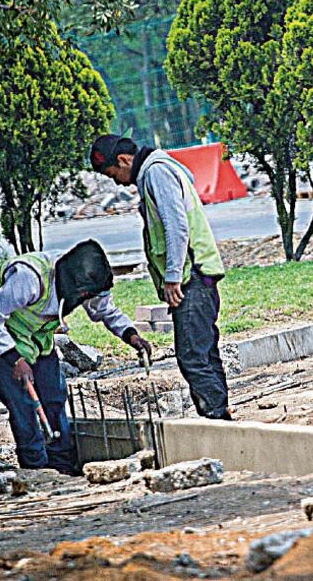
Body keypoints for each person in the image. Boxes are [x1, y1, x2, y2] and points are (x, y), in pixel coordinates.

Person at [0, 240, 151, 474]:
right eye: (86, 294)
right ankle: (36, 469)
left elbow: (105, 310)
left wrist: (131, 336)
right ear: (75, 284)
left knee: (54, 395)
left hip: (37, 336)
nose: (87, 297)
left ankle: (62, 466)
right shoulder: (29, 278)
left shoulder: (86, 281)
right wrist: (15, 359)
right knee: (23, 403)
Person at [89, 134, 230, 419]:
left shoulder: (156, 172)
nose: (116, 181)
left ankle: (218, 421)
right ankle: (221, 414)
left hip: (193, 276)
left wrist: (173, 278)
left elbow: (176, 226)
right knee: (203, 351)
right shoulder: (157, 171)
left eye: (112, 173)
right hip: (197, 275)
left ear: (124, 160)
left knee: (192, 356)